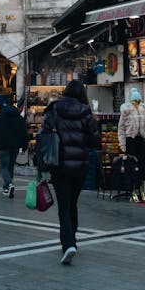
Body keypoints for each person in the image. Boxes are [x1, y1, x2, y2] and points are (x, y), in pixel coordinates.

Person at [41, 79, 99, 265]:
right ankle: (71, 238)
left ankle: (68, 244)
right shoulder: (86, 112)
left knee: (64, 206)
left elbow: (44, 135)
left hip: (59, 165)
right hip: (80, 166)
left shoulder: (54, 109)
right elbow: (95, 140)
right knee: (72, 203)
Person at [0, 95, 28, 198]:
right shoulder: (19, 118)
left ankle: (9, 184)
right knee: (10, 166)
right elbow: (24, 133)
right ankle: (7, 188)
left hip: (2, 146)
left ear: (4, 105)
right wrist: (24, 146)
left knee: (3, 166)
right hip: (15, 146)